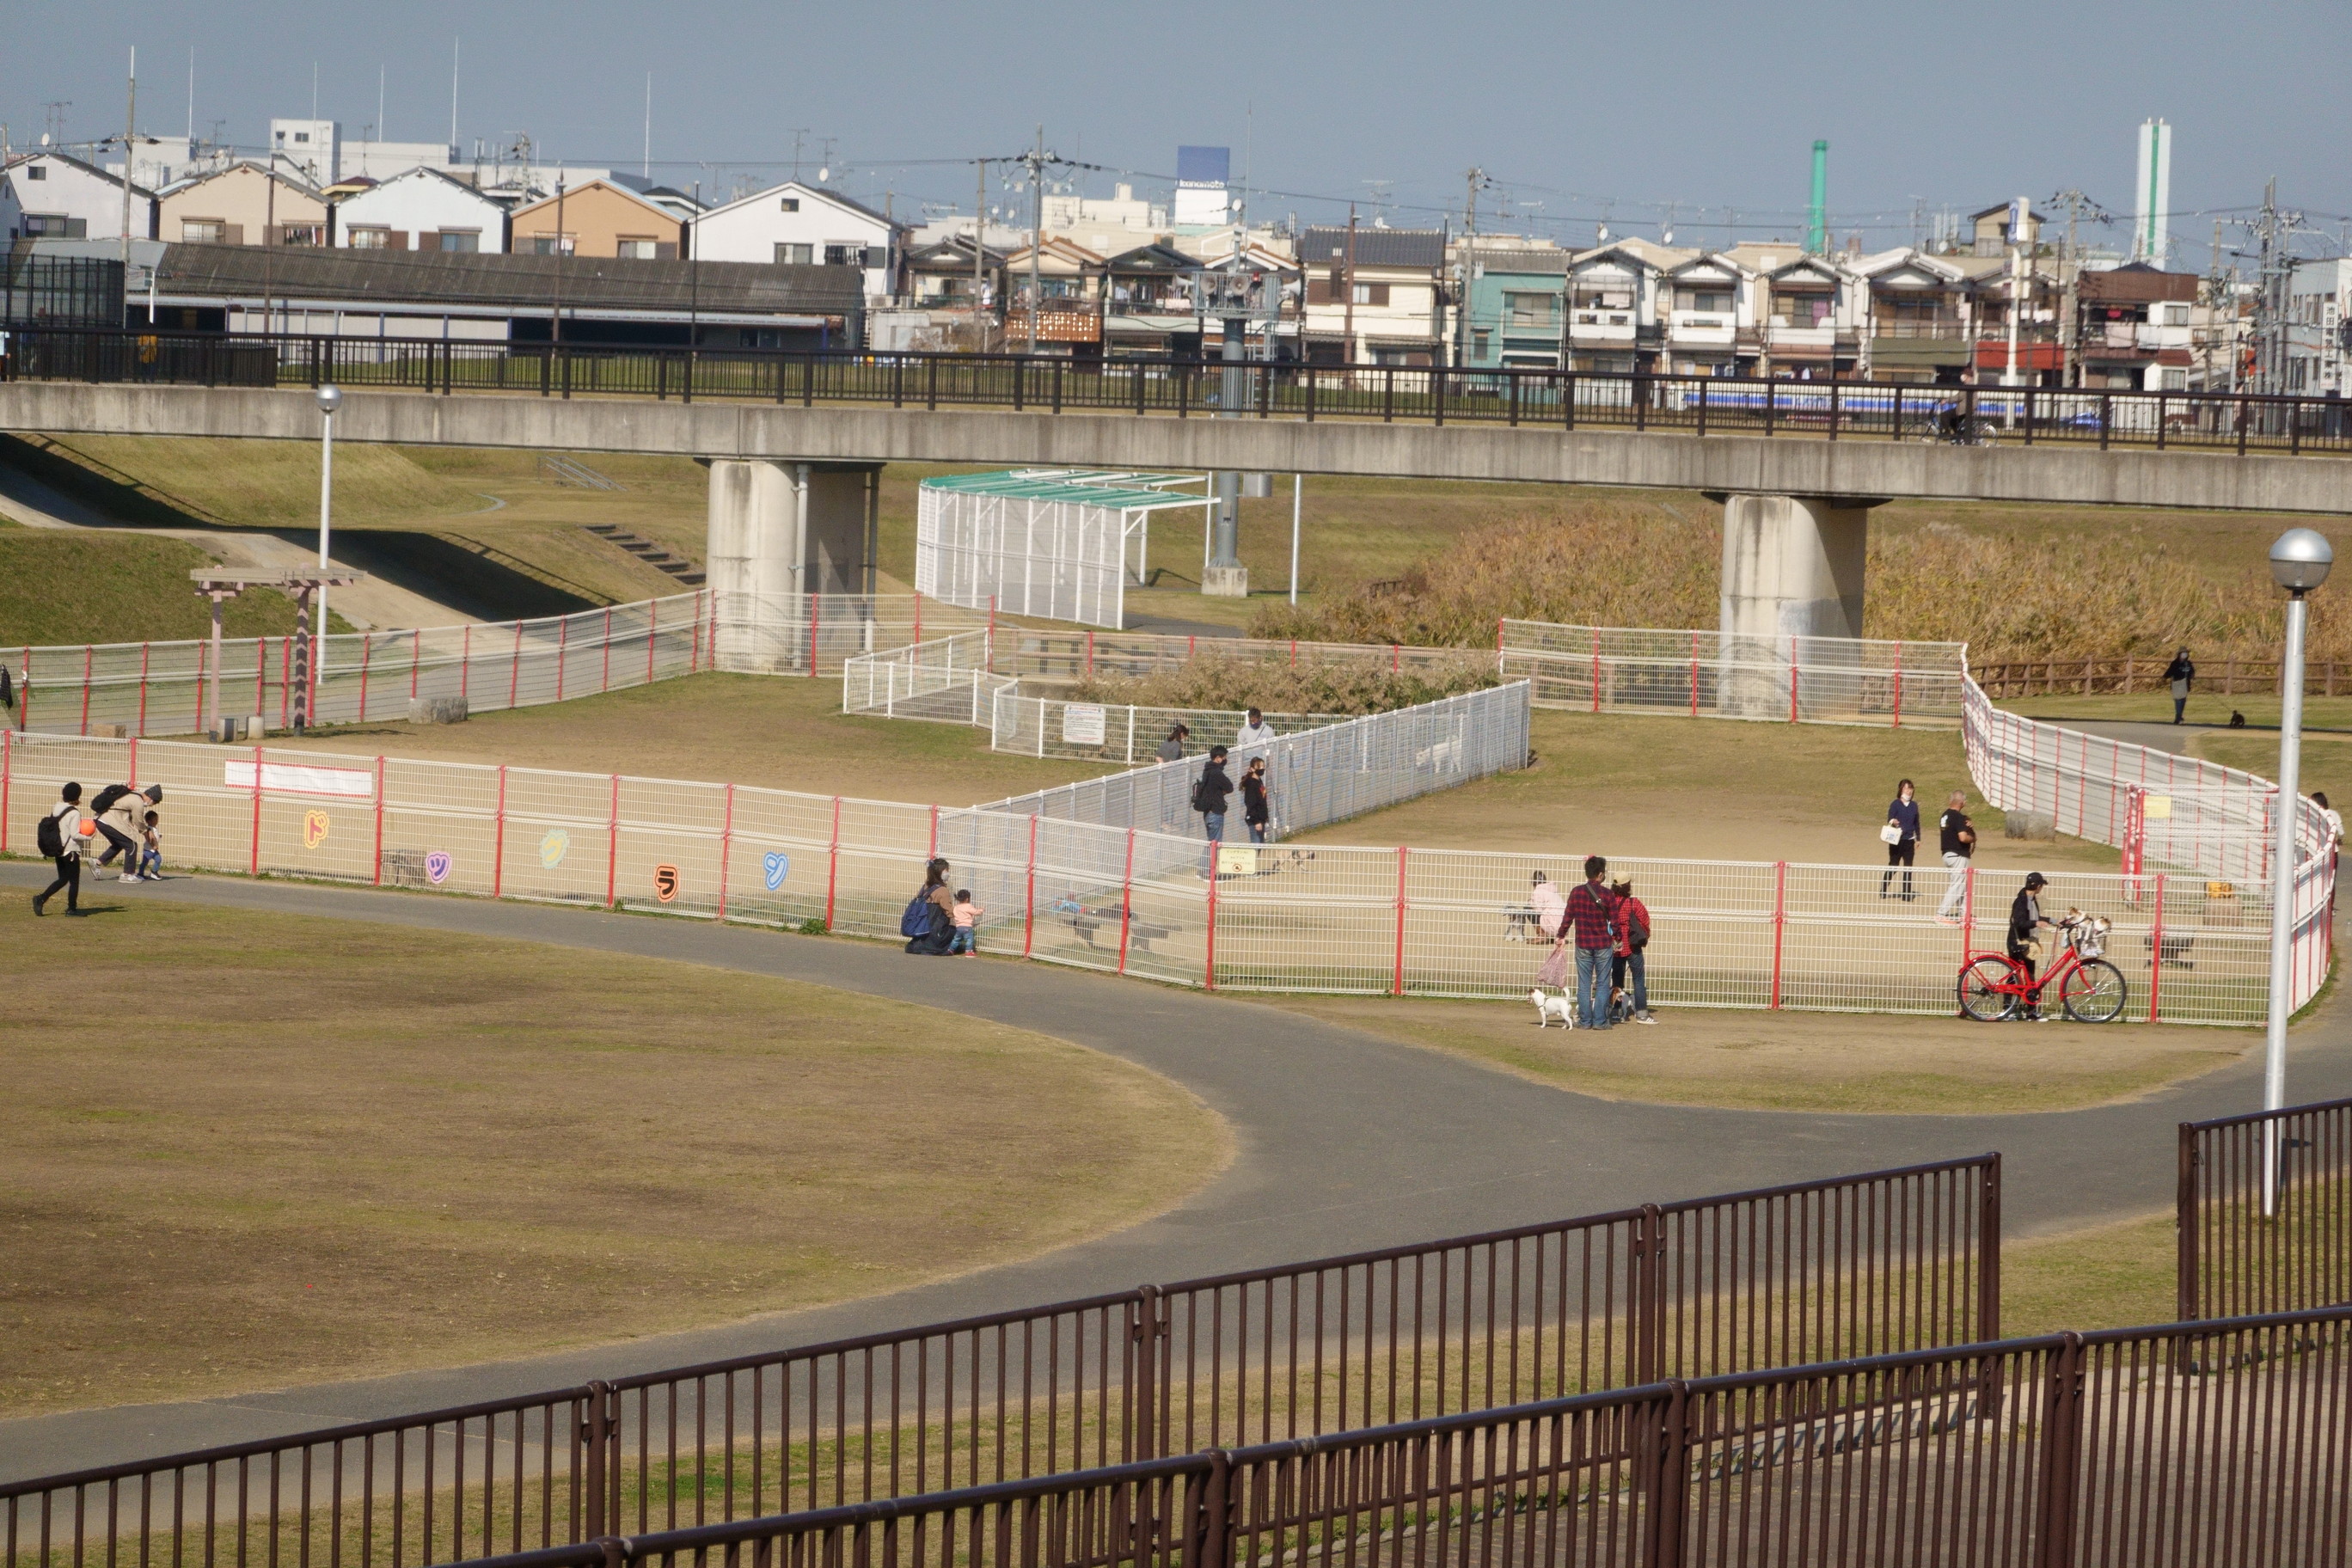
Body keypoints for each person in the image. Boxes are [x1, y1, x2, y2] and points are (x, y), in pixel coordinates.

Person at [1563, 855, 1620, 1031]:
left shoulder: (1576, 892)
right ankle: (1600, 1021)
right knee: (1603, 983)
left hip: (1583, 943)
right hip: (1603, 943)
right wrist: (1617, 938)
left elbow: (1568, 917)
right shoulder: (1608, 895)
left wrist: (1561, 934)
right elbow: (1615, 921)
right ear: (1601, 874)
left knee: (1584, 983)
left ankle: (1585, 1021)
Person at [2007, 872, 2058, 1020]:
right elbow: (2019, 922)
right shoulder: (2021, 901)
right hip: (2019, 943)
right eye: (2041, 885)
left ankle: (2030, 1012)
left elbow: (2033, 918)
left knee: (2029, 977)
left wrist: (2053, 920)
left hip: (2028, 942)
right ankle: (2008, 1009)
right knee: (2014, 976)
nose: (2041, 888)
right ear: (2037, 886)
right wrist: (2036, 923)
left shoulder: (2031, 899)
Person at [33, 781, 88, 917]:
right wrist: (89, 837)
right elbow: (75, 834)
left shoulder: (57, 807)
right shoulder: (74, 813)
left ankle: (41, 898)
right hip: (70, 850)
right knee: (74, 881)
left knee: (63, 879)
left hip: (58, 848)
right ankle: (71, 909)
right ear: (77, 795)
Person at [89, 781, 162, 883]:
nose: (151, 805)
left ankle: (97, 862)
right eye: (154, 803)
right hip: (108, 821)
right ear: (151, 798)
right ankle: (127, 874)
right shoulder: (138, 801)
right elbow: (138, 821)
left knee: (119, 844)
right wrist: (147, 832)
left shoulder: (132, 795)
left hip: (100, 820)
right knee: (131, 845)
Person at [1609, 878, 1654, 1024]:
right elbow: (1644, 920)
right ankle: (1642, 1013)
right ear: (1628, 886)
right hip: (1633, 945)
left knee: (1617, 980)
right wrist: (1644, 935)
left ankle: (1616, 1011)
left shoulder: (1609, 902)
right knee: (1639, 979)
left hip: (1616, 944)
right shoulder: (1633, 903)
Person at [1936, 791, 1976, 924]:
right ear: (1962, 803)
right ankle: (1941, 914)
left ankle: (1964, 915)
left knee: (1962, 885)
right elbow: (1963, 837)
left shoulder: (1945, 815)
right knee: (1957, 885)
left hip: (1947, 853)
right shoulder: (1958, 817)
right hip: (1957, 854)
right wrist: (1973, 838)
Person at [903, 857, 957, 955]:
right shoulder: (942, 890)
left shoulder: (925, 887)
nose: (948, 874)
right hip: (936, 930)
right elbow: (949, 911)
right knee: (956, 932)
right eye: (946, 871)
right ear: (940, 872)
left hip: (922, 928)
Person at [1880, 779, 1920, 901]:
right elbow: (1890, 818)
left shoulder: (1914, 806)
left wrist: (1918, 838)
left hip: (1909, 840)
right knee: (1894, 865)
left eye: (1910, 788)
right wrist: (1893, 821)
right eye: (1906, 788)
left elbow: (1917, 823)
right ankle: (1884, 887)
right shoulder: (1895, 804)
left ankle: (1907, 894)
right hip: (1896, 840)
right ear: (1901, 790)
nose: (1908, 791)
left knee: (1908, 868)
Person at [1196, 745, 1234, 845]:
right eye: (1224, 757)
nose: (1225, 760)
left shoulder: (1207, 771)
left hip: (1208, 813)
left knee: (1211, 844)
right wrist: (1223, 791)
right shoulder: (1216, 772)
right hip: (1215, 813)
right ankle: (1206, 862)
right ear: (1218, 758)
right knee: (1215, 846)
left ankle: (1206, 861)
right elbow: (1229, 787)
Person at [1240, 755, 1272, 844]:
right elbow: (1250, 803)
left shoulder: (1259, 782)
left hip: (1261, 818)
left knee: (1260, 844)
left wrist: (1264, 817)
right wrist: (1256, 821)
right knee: (1256, 844)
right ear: (1253, 769)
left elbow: (1262, 801)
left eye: (1263, 766)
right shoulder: (1251, 783)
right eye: (1259, 767)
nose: (1262, 769)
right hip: (1255, 819)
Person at [1529, 872, 1567, 944]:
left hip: (1552, 926)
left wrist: (1531, 903)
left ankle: (1541, 935)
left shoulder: (1538, 891)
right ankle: (1556, 937)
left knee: (1528, 908)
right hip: (1563, 929)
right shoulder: (1553, 891)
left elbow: (1538, 910)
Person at [2164, 648, 2196, 726]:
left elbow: (2192, 671)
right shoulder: (2175, 663)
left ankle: (2178, 717)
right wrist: (2165, 677)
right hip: (2177, 683)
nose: (2185, 654)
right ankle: (2179, 717)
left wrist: (2192, 676)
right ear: (2179, 654)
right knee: (2178, 701)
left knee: (2183, 701)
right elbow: (2170, 672)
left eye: (2186, 653)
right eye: (2183, 653)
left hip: (2185, 684)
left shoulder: (2189, 663)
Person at [948, 889, 983, 955]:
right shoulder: (968, 906)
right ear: (967, 899)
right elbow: (975, 912)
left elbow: (954, 914)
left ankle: (950, 950)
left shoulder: (956, 907)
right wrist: (981, 910)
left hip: (959, 927)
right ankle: (968, 951)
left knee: (956, 939)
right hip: (967, 926)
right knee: (969, 939)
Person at [136, 809, 164, 880]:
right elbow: (149, 839)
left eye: (157, 819)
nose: (157, 821)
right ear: (149, 821)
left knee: (159, 859)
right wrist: (154, 845)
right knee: (144, 863)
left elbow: (155, 836)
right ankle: (140, 874)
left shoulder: (154, 828)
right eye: (155, 819)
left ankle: (154, 872)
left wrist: (158, 836)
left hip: (154, 850)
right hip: (148, 850)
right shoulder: (149, 829)